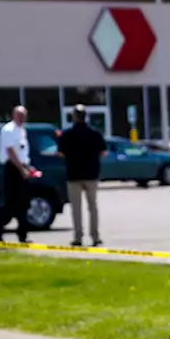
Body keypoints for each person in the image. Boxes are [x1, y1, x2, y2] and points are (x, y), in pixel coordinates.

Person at [56, 105, 107, 247]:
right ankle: (95, 236)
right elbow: (103, 152)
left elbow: (60, 153)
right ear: (86, 117)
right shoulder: (95, 134)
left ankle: (78, 237)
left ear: (74, 117)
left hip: (73, 174)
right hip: (91, 174)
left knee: (76, 208)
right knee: (93, 206)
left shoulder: (67, 135)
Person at [0, 106, 34, 243]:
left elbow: (22, 152)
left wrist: (28, 167)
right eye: (19, 115)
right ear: (13, 115)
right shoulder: (8, 130)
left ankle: (23, 234)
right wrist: (21, 169)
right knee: (10, 205)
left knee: (24, 203)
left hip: (21, 167)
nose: (22, 118)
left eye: (24, 115)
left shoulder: (22, 130)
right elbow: (10, 152)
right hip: (12, 169)